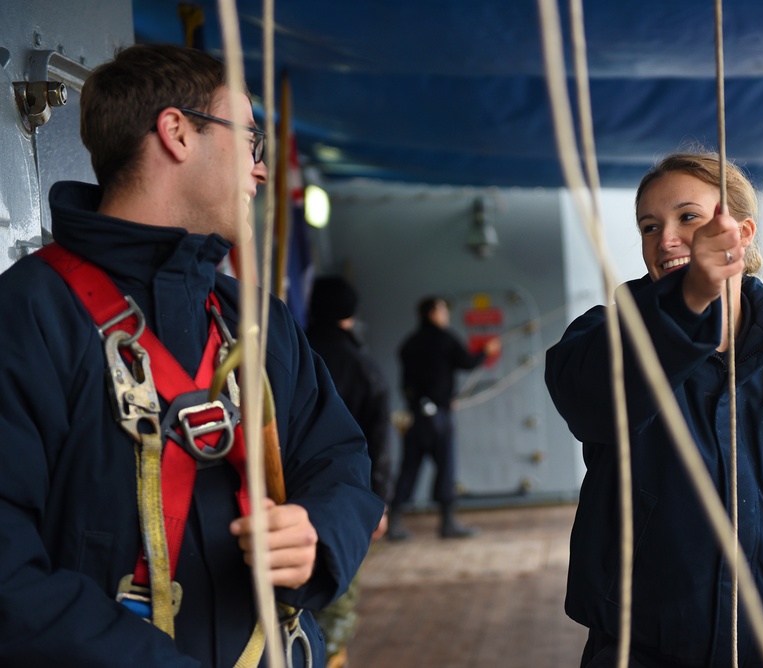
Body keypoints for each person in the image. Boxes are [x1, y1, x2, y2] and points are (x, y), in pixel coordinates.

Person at [0, 44, 384, 667]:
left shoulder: (255, 318)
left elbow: (339, 455)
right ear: (176, 132)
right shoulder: (28, 316)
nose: (260, 171)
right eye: (252, 141)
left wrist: (319, 534)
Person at [545, 153, 763, 668]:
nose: (665, 238)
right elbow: (591, 401)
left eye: (687, 217)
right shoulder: (607, 339)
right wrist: (687, 301)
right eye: (649, 226)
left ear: (742, 232)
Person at [306, 275, 392, 668]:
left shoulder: (292, 352)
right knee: (337, 597)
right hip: (343, 502)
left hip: (281, 498)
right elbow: (378, 438)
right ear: (350, 313)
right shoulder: (363, 365)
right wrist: (377, 502)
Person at [387, 296, 501, 540]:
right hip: (439, 417)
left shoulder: (409, 343)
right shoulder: (446, 339)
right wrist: (486, 352)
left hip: (414, 416)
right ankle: (447, 523)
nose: (446, 314)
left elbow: (409, 382)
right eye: (442, 310)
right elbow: (467, 362)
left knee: (409, 468)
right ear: (432, 313)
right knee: (446, 468)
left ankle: (392, 523)